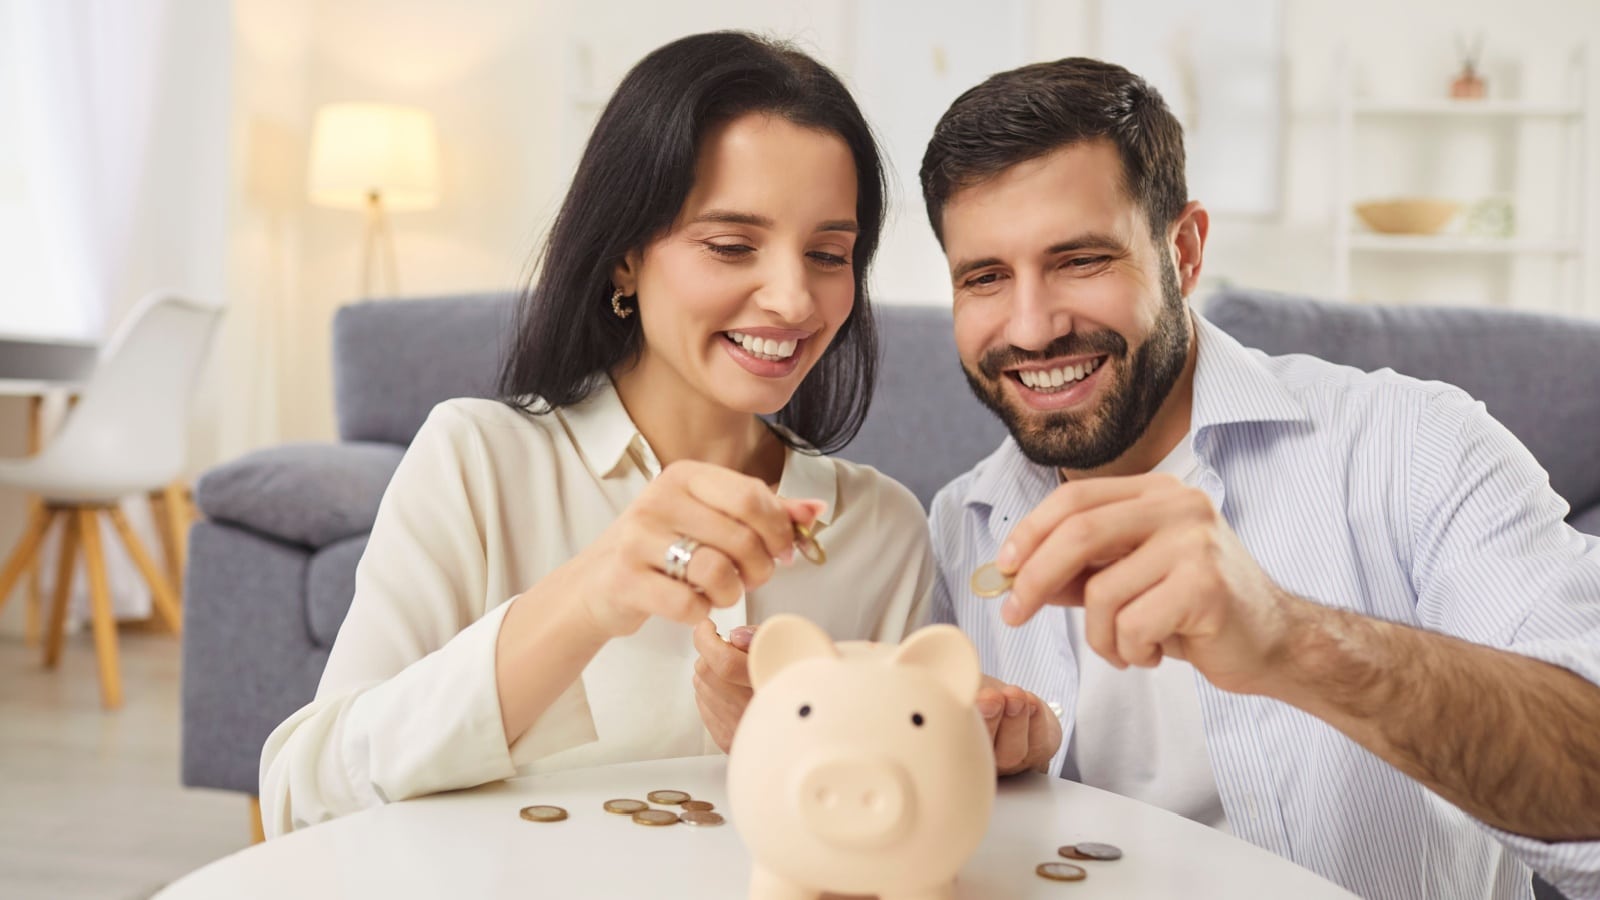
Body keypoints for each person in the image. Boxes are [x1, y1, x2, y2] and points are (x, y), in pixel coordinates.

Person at [917, 58, 1600, 899]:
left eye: (1081, 260)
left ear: (1186, 249)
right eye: (984, 277)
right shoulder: (960, 527)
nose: (1031, 327)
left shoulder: (1414, 446)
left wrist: (1291, 640)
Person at [258, 32, 937, 838]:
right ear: (624, 259)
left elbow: (911, 830)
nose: (794, 300)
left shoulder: (882, 530)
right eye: (731, 246)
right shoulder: (477, 460)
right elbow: (303, 799)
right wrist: (587, 598)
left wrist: (790, 746)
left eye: (829, 254)